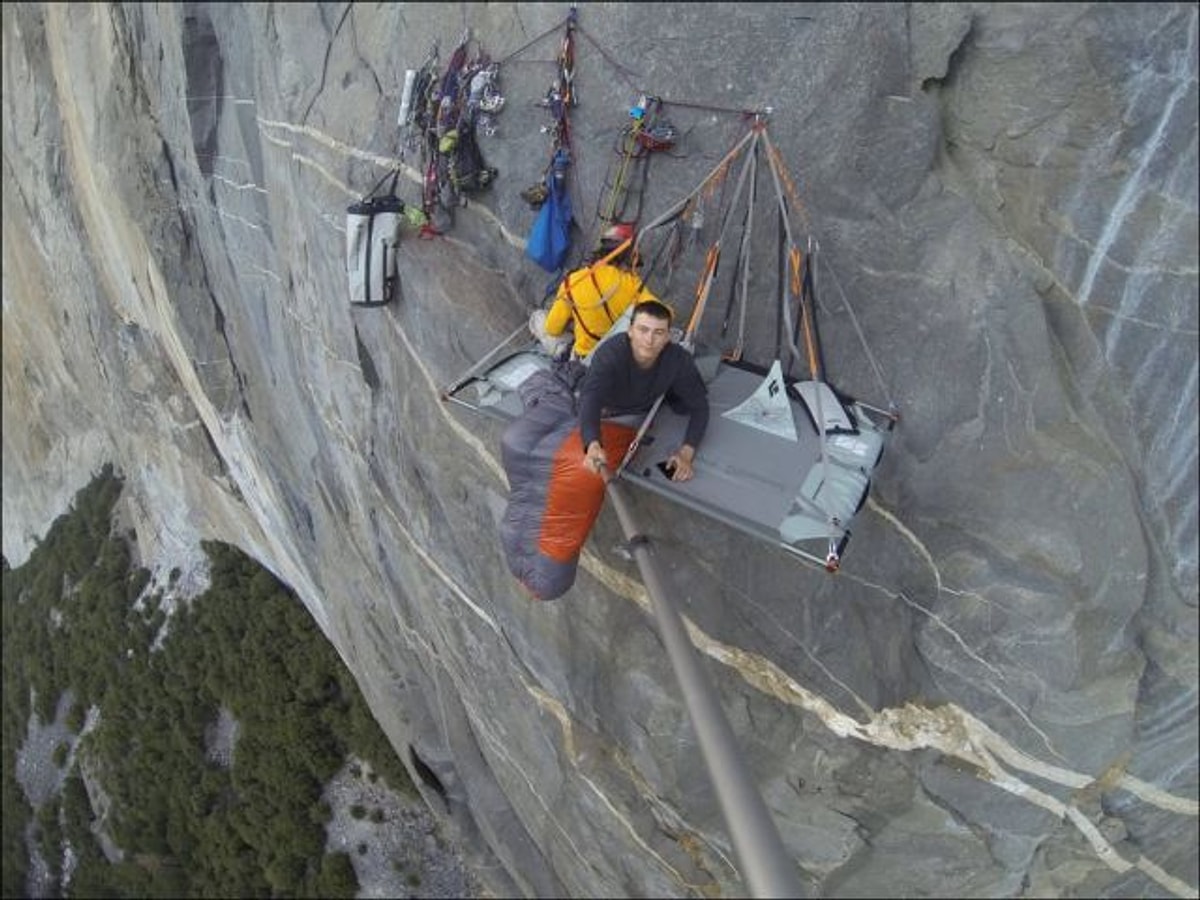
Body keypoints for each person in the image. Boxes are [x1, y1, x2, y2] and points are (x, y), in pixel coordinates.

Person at [578, 299, 709, 482]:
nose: (649, 340)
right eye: (643, 330)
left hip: (646, 411)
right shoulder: (611, 353)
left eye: (658, 332)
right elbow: (591, 397)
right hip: (608, 413)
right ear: (630, 331)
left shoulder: (678, 359)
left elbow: (700, 406)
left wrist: (686, 454)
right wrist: (592, 444)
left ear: (667, 337)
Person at [530, 223, 658, 359]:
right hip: (620, 357)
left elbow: (552, 328)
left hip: (587, 358)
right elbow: (662, 315)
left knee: (538, 317)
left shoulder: (572, 282)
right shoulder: (632, 285)